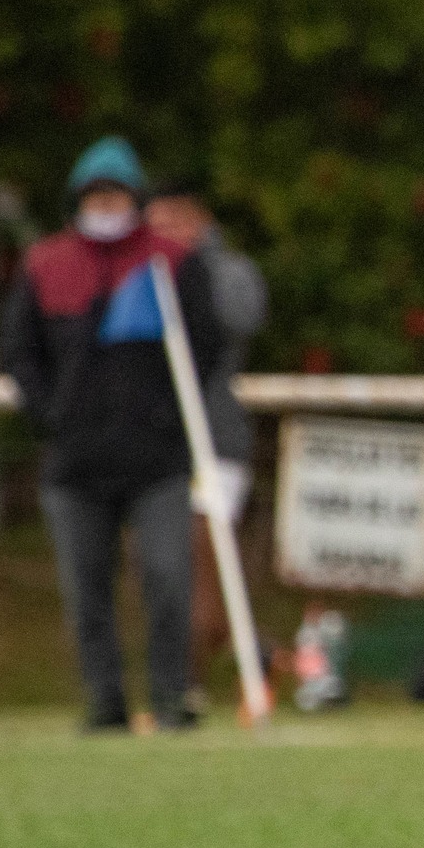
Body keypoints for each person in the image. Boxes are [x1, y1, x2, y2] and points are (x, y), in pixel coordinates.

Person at [0, 136, 220, 732]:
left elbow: (206, 345)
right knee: (86, 593)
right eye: (95, 195)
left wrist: (170, 414)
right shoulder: (45, 264)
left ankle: (173, 697)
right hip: (75, 464)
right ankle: (106, 703)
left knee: (170, 580)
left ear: (135, 197)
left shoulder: (170, 261)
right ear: (77, 200)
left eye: (115, 194)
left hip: (158, 459)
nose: (105, 204)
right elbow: (20, 353)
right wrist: (51, 415)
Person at [144, 179, 269, 715]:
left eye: (174, 222)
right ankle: (250, 663)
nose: (163, 234)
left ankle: (186, 690)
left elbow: (243, 319)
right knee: (171, 569)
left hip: (213, 441)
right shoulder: (139, 274)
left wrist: (188, 276)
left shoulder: (229, 273)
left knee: (200, 559)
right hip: (156, 443)